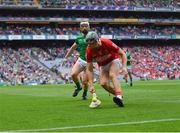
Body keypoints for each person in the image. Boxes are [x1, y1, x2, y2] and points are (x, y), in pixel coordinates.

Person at [86, 31, 127, 108]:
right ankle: (118, 96)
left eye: (92, 44)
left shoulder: (106, 42)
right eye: (88, 44)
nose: (90, 46)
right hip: (103, 65)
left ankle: (119, 96)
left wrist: (124, 67)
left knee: (112, 75)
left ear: (97, 41)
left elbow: (122, 53)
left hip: (113, 61)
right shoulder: (89, 50)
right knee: (103, 83)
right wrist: (91, 85)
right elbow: (89, 69)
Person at [62, 21, 90, 100]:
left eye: (86, 26)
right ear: (80, 28)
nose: (84, 27)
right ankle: (78, 87)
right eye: (82, 26)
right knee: (73, 74)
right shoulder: (79, 38)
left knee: (85, 81)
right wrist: (65, 58)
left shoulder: (93, 37)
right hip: (81, 60)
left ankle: (85, 94)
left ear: (89, 27)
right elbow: (73, 48)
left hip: (90, 62)